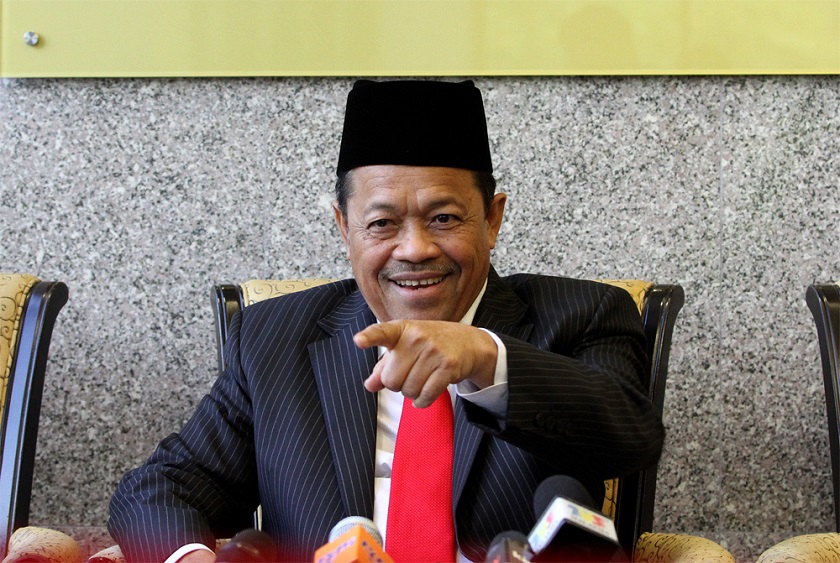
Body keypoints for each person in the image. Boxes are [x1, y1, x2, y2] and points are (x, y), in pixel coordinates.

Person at [108, 79, 664, 563]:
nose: (415, 249)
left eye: (444, 218)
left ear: (492, 219)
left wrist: (486, 358)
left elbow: (632, 434)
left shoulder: (582, 315)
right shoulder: (275, 337)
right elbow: (157, 491)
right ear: (343, 226)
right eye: (382, 223)